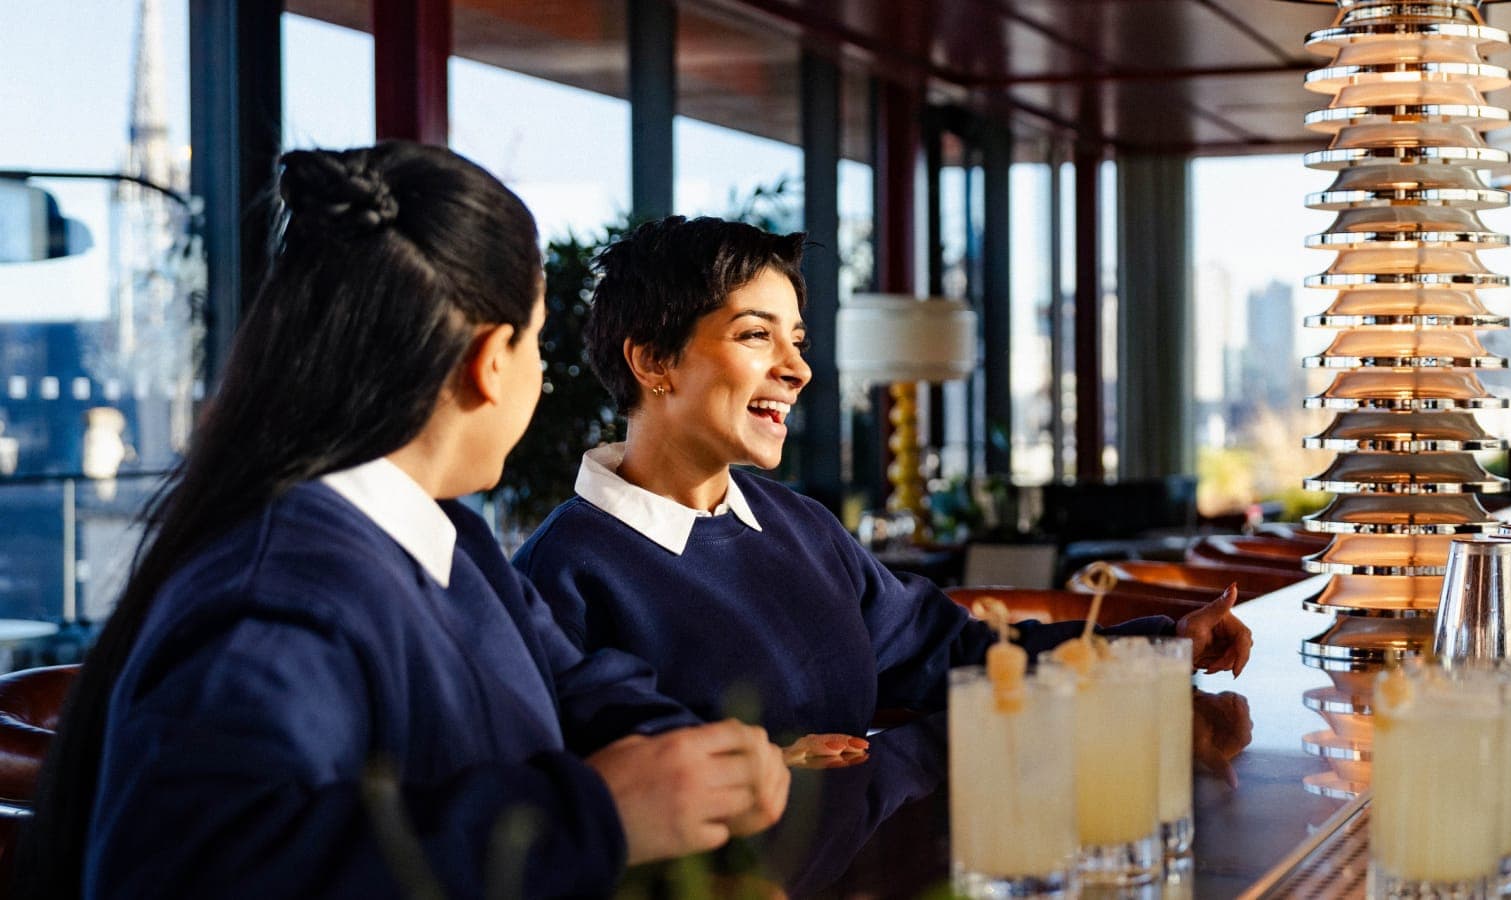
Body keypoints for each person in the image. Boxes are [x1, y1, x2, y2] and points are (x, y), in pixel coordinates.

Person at [15, 144, 790, 898]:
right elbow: (204, 871)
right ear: (492, 360)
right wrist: (597, 814)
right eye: (537, 351)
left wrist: (696, 757)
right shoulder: (275, 595)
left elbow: (581, 689)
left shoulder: (450, 541)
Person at [512, 217, 1252, 746]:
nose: (797, 369)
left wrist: (1161, 645)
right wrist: (758, 768)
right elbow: (575, 790)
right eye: (754, 334)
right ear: (653, 363)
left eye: (795, 340)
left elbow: (952, 655)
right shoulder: (564, 573)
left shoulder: (795, 524)